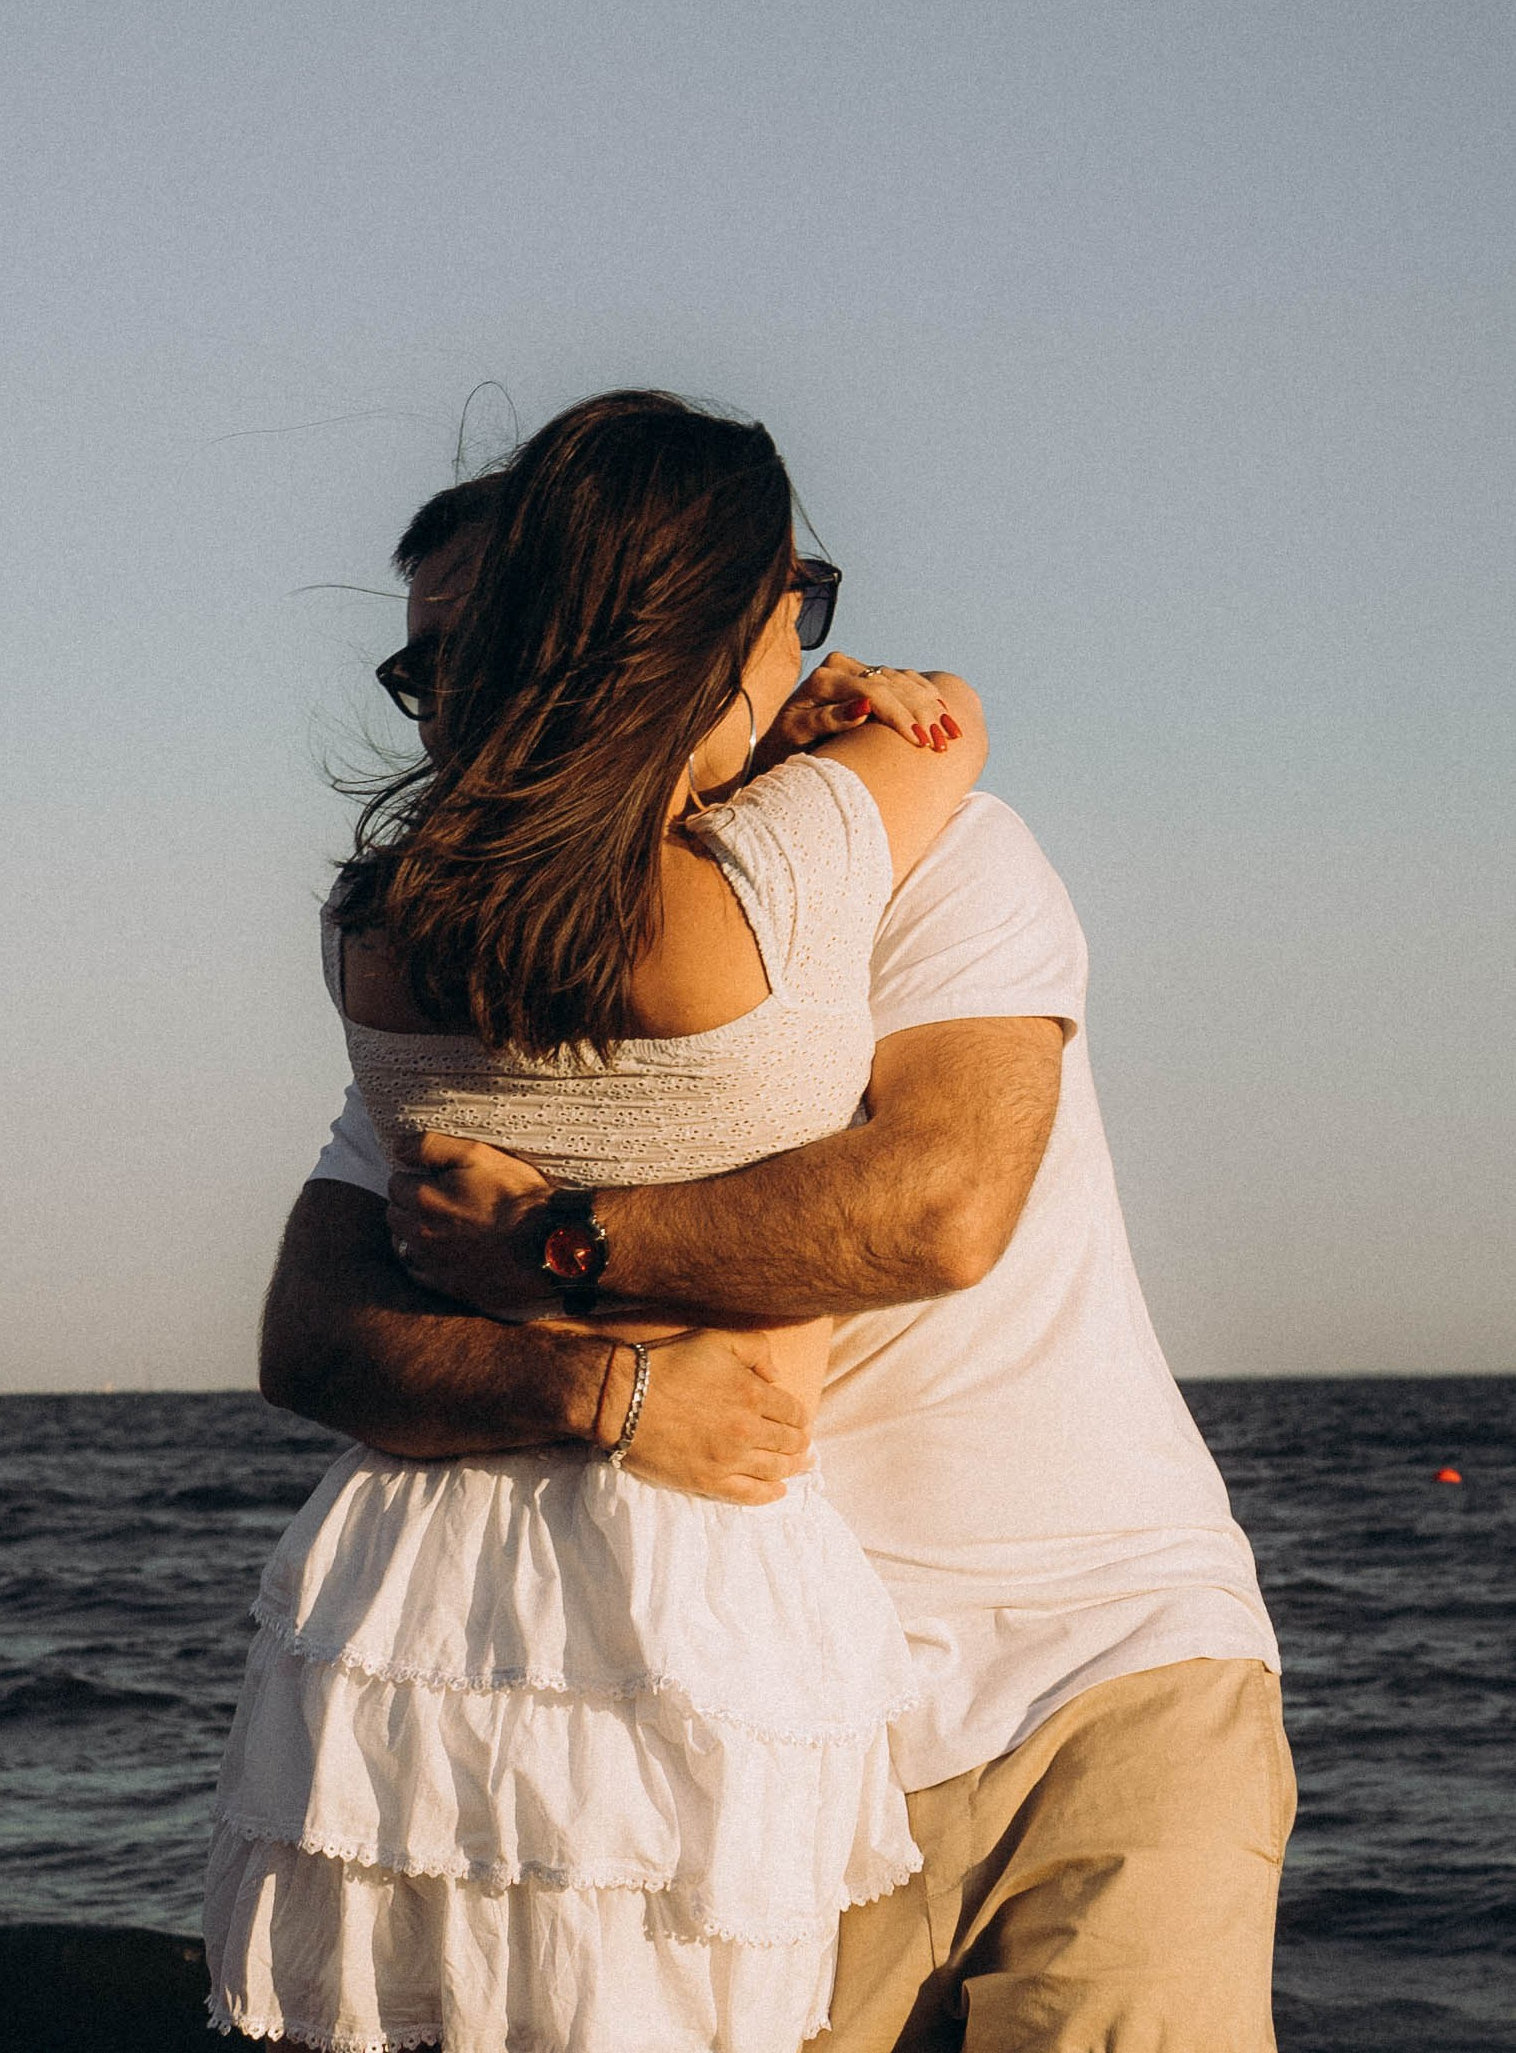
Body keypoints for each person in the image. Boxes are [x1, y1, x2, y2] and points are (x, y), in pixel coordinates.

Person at [258, 454, 1293, 2053]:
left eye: (490, 649)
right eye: (426, 669)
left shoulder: (938, 857)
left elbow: (936, 1204)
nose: (461, 709)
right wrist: (601, 1391)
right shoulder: (501, 971)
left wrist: (546, 1240)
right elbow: (317, 1332)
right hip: (760, 1717)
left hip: (1093, 1651)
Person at [203, 390, 988, 2053]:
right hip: (688, 1560)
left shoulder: (378, 930)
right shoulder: (765, 890)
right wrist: (870, 704)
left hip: (418, 1574)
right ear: (718, 632)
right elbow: (954, 734)